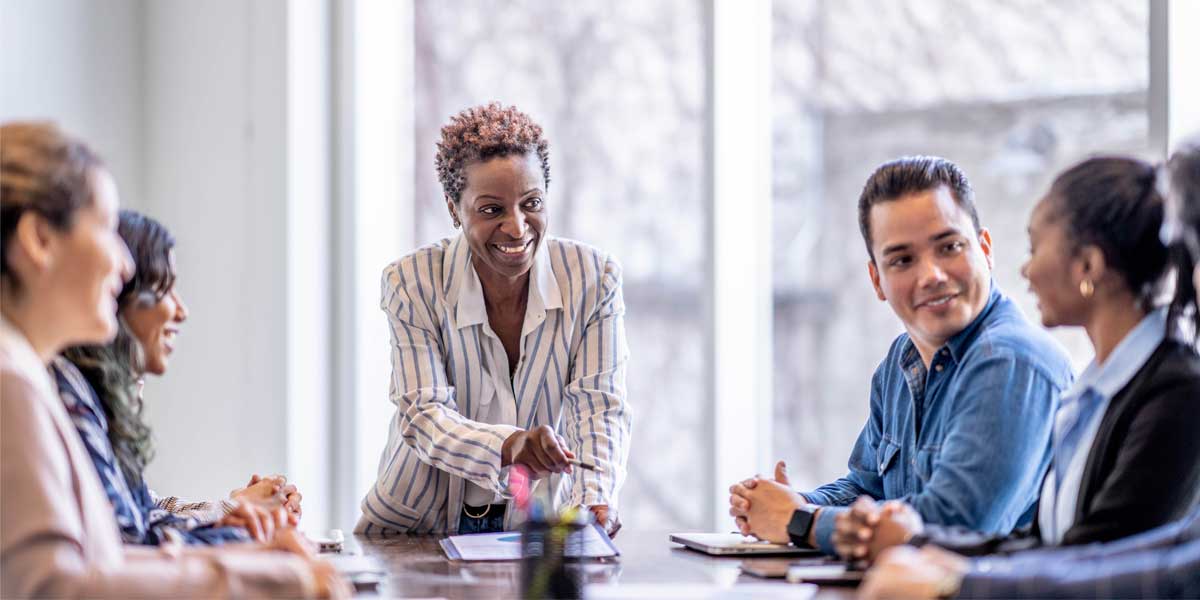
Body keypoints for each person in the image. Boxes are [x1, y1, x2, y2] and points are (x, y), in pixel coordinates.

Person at [0, 120, 347, 598]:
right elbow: (53, 587)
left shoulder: (23, 375)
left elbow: (103, 556)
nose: (124, 264)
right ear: (39, 239)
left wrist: (240, 556)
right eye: (104, 227)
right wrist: (259, 579)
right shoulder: (11, 382)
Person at [858, 142, 1200, 600]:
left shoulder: (1176, 392)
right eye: (901, 259)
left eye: (1037, 247)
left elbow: (1105, 563)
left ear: (1087, 266)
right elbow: (1049, 546)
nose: (1026, 269)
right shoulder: (1096, 392)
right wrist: (923, 545)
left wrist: (955, 580)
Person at [729, 156, 1073, 556]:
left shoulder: (1011, 361)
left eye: (949, 247)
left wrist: (799, 521)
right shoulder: (901, 361)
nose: (931, 275)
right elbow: (865, 487)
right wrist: (787, 504)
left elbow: (953, 526)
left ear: (984, 249)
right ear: (877, 279)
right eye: (902, 260)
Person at [356, 103, 632, 536]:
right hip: (414, 530)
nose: (518, 228)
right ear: (454, 209)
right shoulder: (411, 282)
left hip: (531, 530)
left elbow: (598, 406)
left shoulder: (593, 280)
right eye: (491, 210)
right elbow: (423, 413)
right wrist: (508, 444)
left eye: (532, 203)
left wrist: (593, 498)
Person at [57, 209, 303, 546]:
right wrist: (234, 528)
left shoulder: (95, 394)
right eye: (164, 288)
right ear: (118, 293)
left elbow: (143, 509)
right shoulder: (68, 393)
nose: (181, 310)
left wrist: (233, 510)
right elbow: (129, 539)